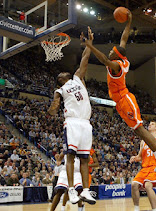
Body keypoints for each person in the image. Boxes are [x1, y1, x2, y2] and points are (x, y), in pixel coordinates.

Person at [81, 10, 156, 177]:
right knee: (137, 131)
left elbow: (103, 59)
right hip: (120, 102)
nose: (109, 51)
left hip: (124, 98)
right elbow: (124, 38)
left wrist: (90, 45)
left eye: (111, 51)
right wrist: (129, 21)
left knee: (140, 128)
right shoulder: (121, 57)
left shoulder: (116, 65)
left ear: (116, 54)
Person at [47, 28, 95, 204]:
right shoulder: (59, 90)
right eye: (58, 76)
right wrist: (53, 108)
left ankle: (86, 191)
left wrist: (89, 42)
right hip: (72, 122)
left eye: (61, 73)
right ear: (59, 80)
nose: (60, 74)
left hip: (86, 123)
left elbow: (85, 58)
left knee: (85, 159)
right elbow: (54, 108)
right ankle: (73, 190)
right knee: (70, 157)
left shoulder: (77, 78)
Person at [130, 121, 156, 211]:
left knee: (148, 186)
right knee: (134, 184)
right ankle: (136, 208)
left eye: (152, 124)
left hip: (155, 167)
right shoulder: (143, 141)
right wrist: (135, 158)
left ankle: (154, 209)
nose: (150, 125)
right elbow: (140, 156)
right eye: (149, 124)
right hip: (145, 168)